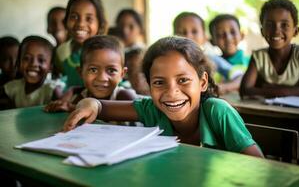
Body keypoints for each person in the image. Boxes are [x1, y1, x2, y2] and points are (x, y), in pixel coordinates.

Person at [63, 36, 263, 158]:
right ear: (149, 86)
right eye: (159, 82)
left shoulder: (218, 112)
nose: (171, 92)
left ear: (202, 82)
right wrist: (88, 102)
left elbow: (259, 167)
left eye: (183, 80)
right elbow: (99, 106)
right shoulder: (152, 108)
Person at [45, 35, 137, 112]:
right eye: (93, 70)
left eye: (111, 70)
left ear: (122, 74)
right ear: (81, 72)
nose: (102, 78)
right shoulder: (79, 97)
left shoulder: (125, 97)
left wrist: (73, 108)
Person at [240, 0, 299, 98]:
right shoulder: (259, 56)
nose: (276, 31)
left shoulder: (298, 54)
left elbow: (251, 90)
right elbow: (245, 90)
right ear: (262, 31)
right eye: (269, 25)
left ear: (296, 31)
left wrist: (270, 90)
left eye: (284, 25)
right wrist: (291, 90)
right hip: (265, 112)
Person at [55, 0, 107, 90]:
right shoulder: (62, 51)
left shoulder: (107, 52)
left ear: (100, 24)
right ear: (66, 20)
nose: (80, 24)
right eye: (74, 17)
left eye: (89, 18)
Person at [173, 12, 241, 81]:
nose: (188, 36)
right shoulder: (170, 61)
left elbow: (239, 76)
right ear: (174, 36)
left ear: (205, 37)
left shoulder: (211, 60)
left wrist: (221, 88)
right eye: (182, 32)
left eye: (194, 32)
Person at [0, 36, 63, 109]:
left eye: (41, 60)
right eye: (27, 58)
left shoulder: (52, 90)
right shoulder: (13, 87)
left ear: (50, 67)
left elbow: (62, 107)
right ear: (19, 63)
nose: (33, 64)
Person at [209, 14, 250, 95]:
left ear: (241, 35)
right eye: (221, 35)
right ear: (212, 41)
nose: (228, 38)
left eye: (233, 32)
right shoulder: (211, 64)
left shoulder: (252, 61)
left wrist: (223, 87)